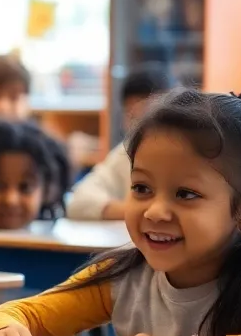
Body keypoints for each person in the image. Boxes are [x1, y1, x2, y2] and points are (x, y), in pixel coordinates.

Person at [0, 89, 241, 336]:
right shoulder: (121, 278)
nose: (155, 212)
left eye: (185, 194)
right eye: (142, 188)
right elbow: (16, 314)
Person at [68, 66, 175, 220]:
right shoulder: (125, 153)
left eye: (150, 116)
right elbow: (78, 202)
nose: (143, 128)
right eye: (133, 117)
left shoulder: (193, 154)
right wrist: (139, 213)